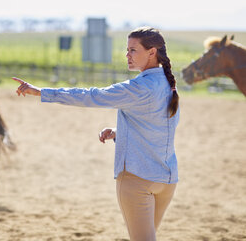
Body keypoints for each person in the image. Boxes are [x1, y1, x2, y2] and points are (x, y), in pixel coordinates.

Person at [13, 27, 180, 241]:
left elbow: (90, 96)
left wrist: (41, 92)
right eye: (126, 49)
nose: (127, 55)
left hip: (138, 180)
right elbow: (158, 128)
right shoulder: (169, 84)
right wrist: (119, 133)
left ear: (152, 52)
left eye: (133, 50)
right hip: (166, 180)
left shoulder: (137, 88)